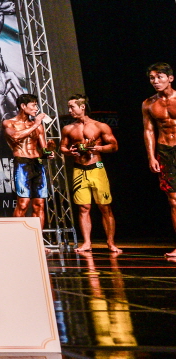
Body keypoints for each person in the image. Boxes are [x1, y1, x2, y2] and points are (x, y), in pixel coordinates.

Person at [61, 93, 120, 254]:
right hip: (79, 169)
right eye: (68, 107)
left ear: (82, 107)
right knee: (83, 208)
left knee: (104, 207)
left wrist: (98, 148)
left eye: (72, 107)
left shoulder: (100, 126)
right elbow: (63, 147)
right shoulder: (68, 128)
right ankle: (87, 242)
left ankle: (110, 243)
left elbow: (114, 146)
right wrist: (69, 152)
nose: (69, 110)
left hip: (97, 168)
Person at [143, 62, 176, 260]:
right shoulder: (148, 103)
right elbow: (148, 130)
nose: (155, 81)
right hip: (165, 151)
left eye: (160, 77)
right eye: (152, 78)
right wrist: (151, 156)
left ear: (170, 78)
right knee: (173, 201)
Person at [4, 93, 51, 227]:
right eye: (33, 105)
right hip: (22, 163)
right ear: (23, 106)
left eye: (37, 105)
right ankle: (18, 236)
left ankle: (38, 237)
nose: (36, 109)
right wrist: (36, 124)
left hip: (37, 164)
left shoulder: (38, 126)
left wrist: (49, 151)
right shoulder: (9, 123)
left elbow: (44, 149)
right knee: (23, 203)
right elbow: (15, 137)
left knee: (39, 204)